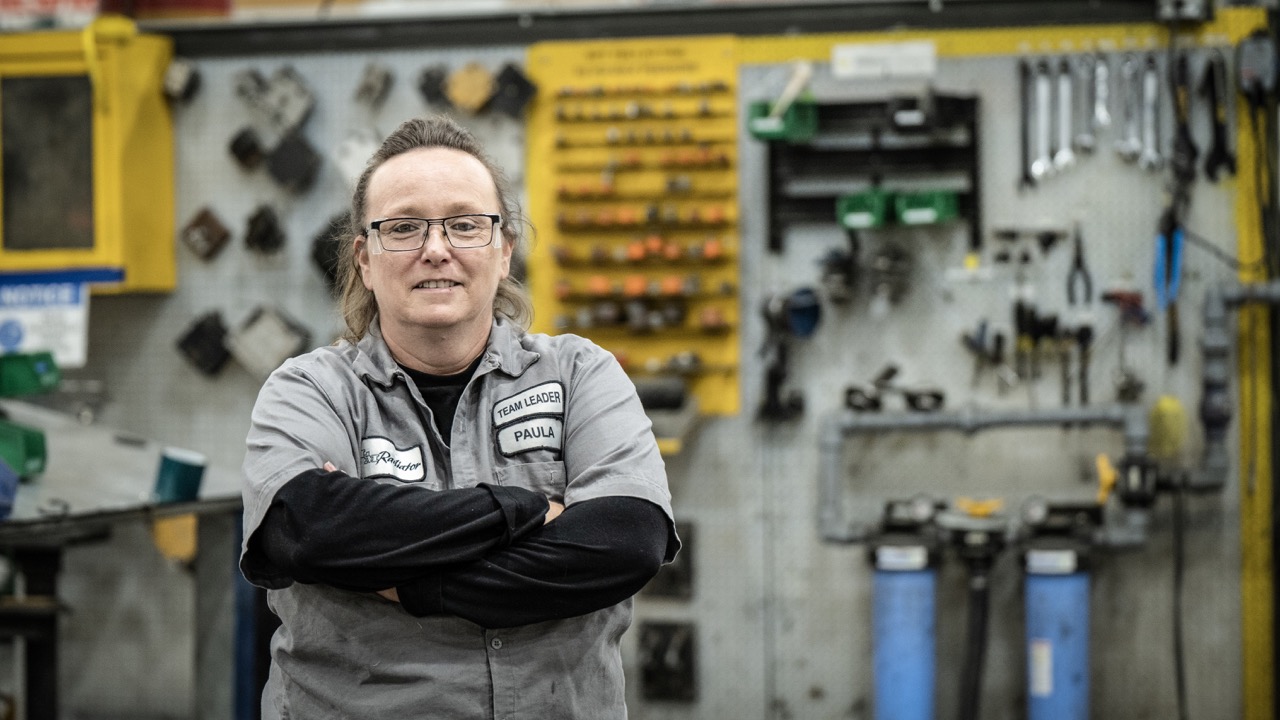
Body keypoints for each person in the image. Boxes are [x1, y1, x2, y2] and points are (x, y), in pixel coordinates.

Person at [239, 114, 679, 719]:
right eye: (404, 227)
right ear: (365, 259)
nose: (436, 249)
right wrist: (521, 510)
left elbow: (626, 544)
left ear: (503, 252)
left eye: (465, 225)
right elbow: (306, 529)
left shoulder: (581, 374)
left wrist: (409, 579)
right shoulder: (309, 391)